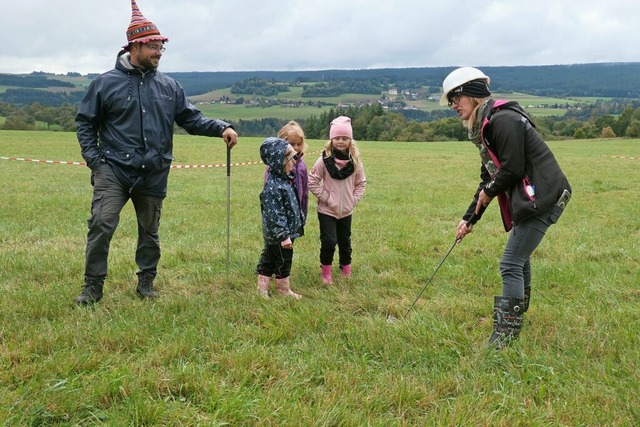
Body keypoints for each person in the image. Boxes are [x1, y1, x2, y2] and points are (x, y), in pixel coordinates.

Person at [74, 0, 238, 305]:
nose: (159, 52)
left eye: (161, 47)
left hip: (154, 171)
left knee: (150, 232)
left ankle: (146, 282)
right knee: (101, 224)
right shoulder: (104, 84)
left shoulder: (170, 86)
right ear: (134, 46)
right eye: (153, 47)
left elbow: (190, 118)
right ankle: (92, 286)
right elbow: (85, 123)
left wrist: (221, 127)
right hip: (113, 170)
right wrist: (96, 163)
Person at [441, 67, 572, 348]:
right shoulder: (487, 126)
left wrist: (489, 192)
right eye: (450, 100)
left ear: (474, 95)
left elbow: (511, 169)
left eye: (456, 98)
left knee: (510, 262)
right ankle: (516, 314)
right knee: (518, 258)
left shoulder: (503, 121)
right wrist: (469, 220)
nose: (453, 105)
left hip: (544, 197)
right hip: (532, 199)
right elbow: (489, 178)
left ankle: (505, 338)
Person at [308, 116, 367, 284]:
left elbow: (361, 183)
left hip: (347, 211)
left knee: (345, 241)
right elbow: (312, 181)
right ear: (331, 139)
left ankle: (345, 270)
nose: (341, 141)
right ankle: (326, 272)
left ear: (350, 140)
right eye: (337, 138)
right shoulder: (323, 161)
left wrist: (353, 200)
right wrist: (326, 198)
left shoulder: (355, 162)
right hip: (327, 210)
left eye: (345, 138)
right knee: (329, 241)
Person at [256, 138, 305, 299]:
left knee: (269, 258)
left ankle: (262, 289)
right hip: (279, 235)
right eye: (290, 159)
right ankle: (283, 290)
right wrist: (284, 236)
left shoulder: (284, 180)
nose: (293, 163)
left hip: (280, 234)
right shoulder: (274, 187)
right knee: (283, 260)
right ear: (279, 162)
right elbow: (275, 215)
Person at [264, 121, 309, 225]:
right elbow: (267, 190)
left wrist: (303, 213)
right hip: (278, 213)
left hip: (295, 213)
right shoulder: (273, 166)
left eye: (299, 144)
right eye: (292, 144)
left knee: (290, 241)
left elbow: (305, 192)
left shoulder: (302, 166)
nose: (296, 148)